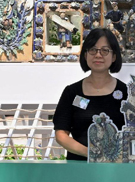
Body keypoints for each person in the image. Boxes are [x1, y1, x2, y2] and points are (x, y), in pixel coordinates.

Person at [52, 28, 128, 161]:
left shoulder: (127, 92)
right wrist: (91, 154)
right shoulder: (71, 92)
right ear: (85, 55)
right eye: (93, 50)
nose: (98, 55)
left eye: (105, 50)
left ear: (114, 56)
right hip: (79, 168)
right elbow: (61, 134)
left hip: (116, 168)